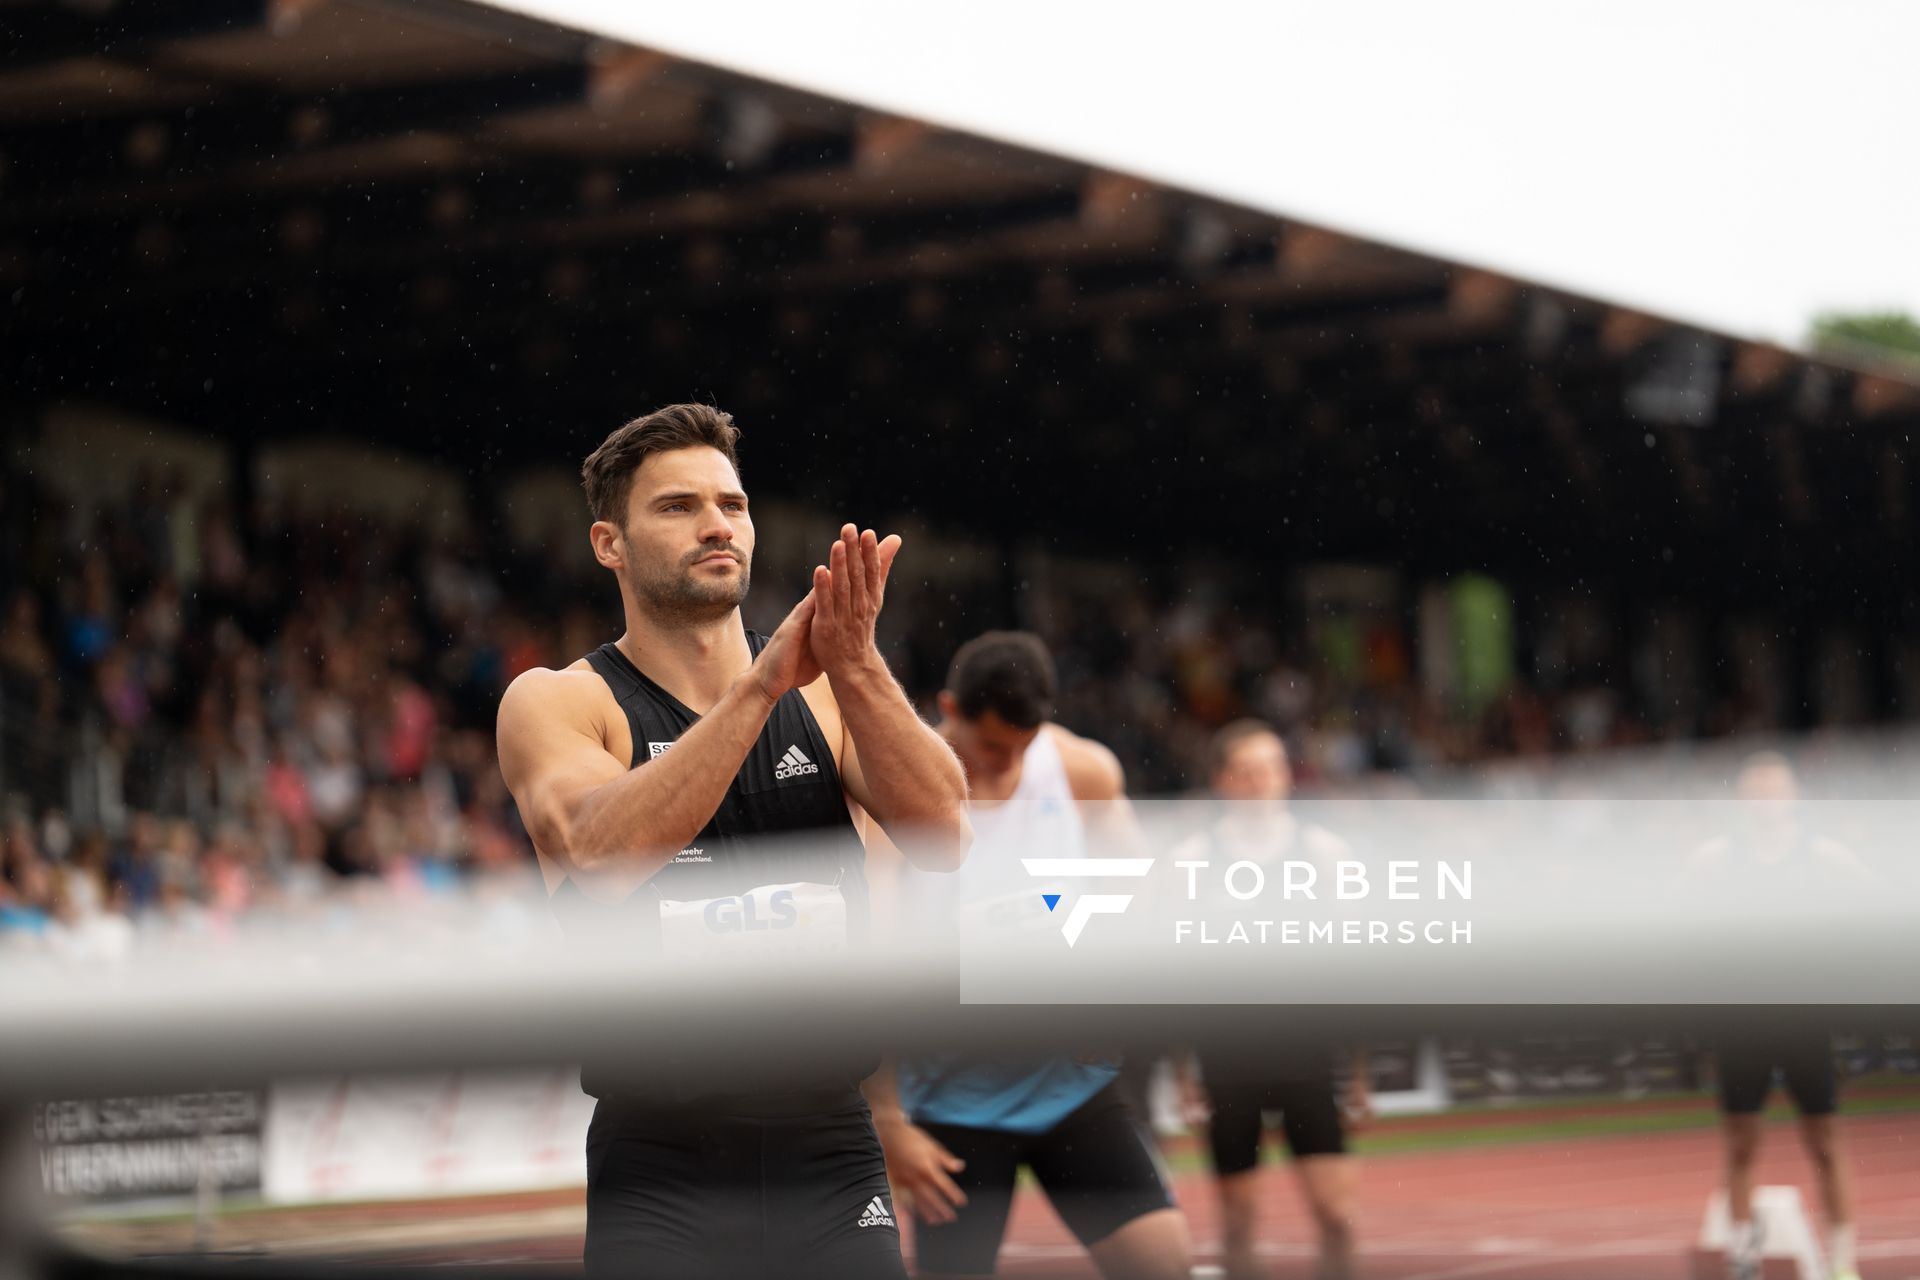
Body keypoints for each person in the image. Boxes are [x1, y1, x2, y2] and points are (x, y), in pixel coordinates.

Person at [495, 404, 971, 1280]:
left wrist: (858, 664)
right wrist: (754, 692)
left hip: (830, 1146)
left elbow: (944, 834)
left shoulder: (828, 691)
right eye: (677, 507)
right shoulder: (559, 701)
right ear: (609, 544)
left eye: (733, 505)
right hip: (662, 1158)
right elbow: (598, 856)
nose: (717, 524)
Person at [866, 631, 1190, 1280]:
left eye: (1021, 749)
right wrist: (887, 1118)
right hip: (949, 1106)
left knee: (1164, 1262)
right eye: (988, 748)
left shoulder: (1081, 771)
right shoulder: (893, 794)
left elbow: (1140, 899)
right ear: (948, 707)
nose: (1004, 766)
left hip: (1069, 1087)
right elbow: (871, 960)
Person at [1172, 720, 1369, 1280]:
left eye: (1273, 768)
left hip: (1306, 1052)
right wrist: (1183, 1071)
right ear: (1223, 779)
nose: (1262, 781)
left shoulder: (1326, 854)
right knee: (1238, 1219)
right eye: (1249, 770)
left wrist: (1358, 1070)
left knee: (1337, 1214)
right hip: (1227, 1057)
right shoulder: (1191, 860)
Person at [1681, 752, 1872, 1280]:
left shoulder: (1824, 856)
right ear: (1742, 800)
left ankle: (1842, 1261)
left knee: (1825, 1139)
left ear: (1793, 797)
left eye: (1775, 788)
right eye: (1755, 789)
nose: (1766, 798)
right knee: (1741, 1140)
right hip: (1743, 1019)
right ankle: (1744, 1257)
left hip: (1805, 1016)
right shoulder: (1714, 859)